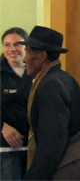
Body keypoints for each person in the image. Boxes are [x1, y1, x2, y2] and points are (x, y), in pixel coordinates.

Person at [18, 26, 80, 180]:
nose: (24, 59)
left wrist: (34, 177)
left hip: (62, 170)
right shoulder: (64, 78)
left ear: (42, 55)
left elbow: (52, 142)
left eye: (28, 52)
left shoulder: (50, 85)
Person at [0, 27, 32, 180]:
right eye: (6, 45)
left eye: (17, 44)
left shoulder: (37, 71)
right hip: (6, 150)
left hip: (34, 147)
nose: (12, 49)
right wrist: (2, 126)